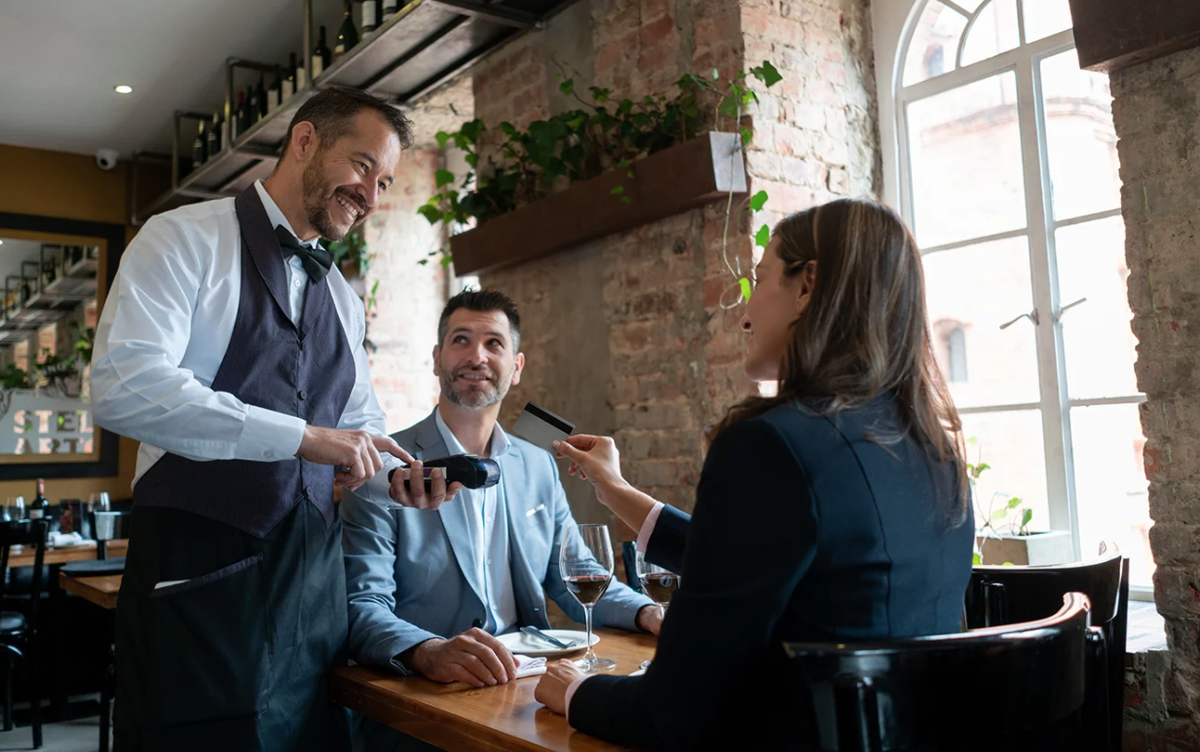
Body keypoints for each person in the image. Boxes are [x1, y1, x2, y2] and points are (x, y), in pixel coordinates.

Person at [90, 87, 459, 752]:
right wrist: (303, 438)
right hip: (200, 588)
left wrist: (398, 480)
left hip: (312, 601)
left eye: (384, 182)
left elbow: (358, 431)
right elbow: (125, 387)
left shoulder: (343, 301)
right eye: (362, 168)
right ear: (306, 140)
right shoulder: (184, 239)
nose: (372, 197)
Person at [534, 198, 975, 750]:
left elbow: (672, 712)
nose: (744, 314)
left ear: (806, 288)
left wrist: (577, 693)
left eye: (760, 278)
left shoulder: (771, 444)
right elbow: (775, 564)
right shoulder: (934, 449)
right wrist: (617, 492)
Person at [342, 289, 661, 750]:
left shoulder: (538, 465)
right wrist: (427, 653)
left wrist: (647, 611)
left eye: (494, 343)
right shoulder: (384, 467)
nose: (477, 356)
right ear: (437, 358)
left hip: (527, 692)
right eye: (461, 340)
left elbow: (575, 575)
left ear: (516, 367)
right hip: (425, 705)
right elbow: (361, 605)